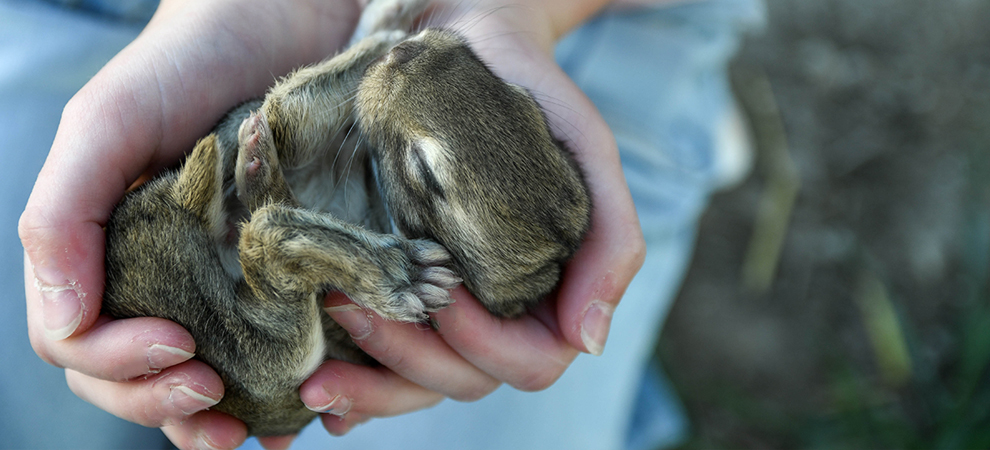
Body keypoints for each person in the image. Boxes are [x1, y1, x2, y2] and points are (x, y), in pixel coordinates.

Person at [4, 0, 762, 448]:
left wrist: (518, 12)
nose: (415, 62)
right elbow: (413, 63)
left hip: (558, 22)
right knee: (35, 379)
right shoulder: (423, 70)